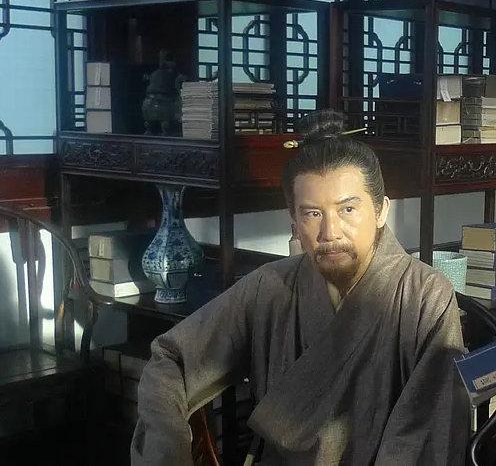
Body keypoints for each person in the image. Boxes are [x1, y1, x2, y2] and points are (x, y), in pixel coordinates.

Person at [132, 110, 469, 465]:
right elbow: (172, 360)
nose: (330, 232)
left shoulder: (424, 296)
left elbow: (429, 433)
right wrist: (167, 453)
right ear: (293, 220)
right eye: (312, 214)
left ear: (381, 210)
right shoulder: (271, 287)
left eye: (348, 209)